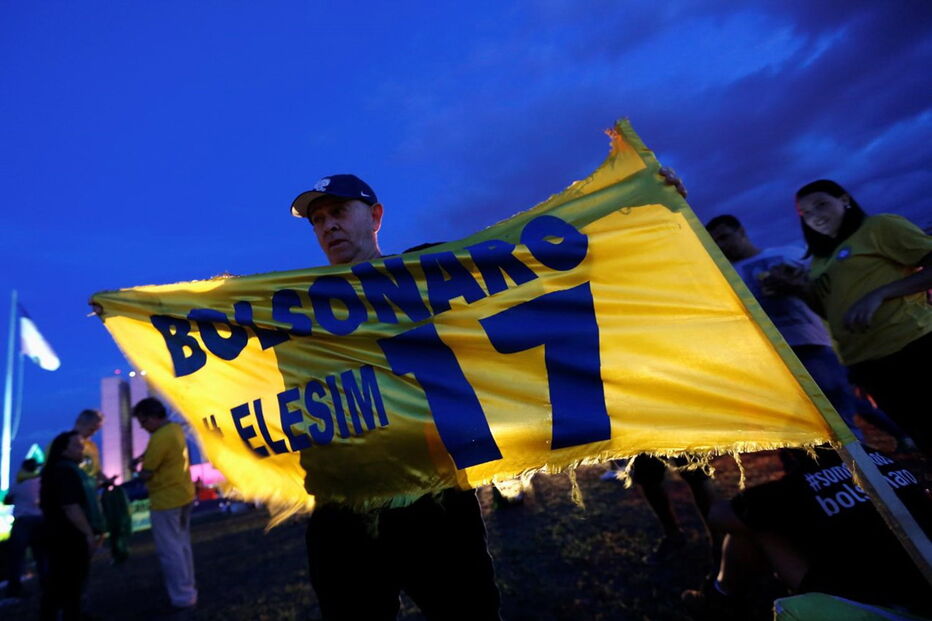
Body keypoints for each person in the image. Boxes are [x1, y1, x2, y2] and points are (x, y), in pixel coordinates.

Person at [290, 174, 502, 620]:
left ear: (376, 215)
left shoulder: (424, 275)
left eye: (339, 211)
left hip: (435, 502)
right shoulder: (296, 311)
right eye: (318, 219)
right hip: (342, 514)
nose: (327, 226)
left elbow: (536, 256)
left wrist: (645, 198)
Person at [681, 445, 932, 619]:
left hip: (879, 604)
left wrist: (697, 473)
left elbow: (719, 515)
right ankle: (722, 597)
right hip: (921, 569)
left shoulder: (797, 489)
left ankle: (720, 599)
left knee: (756, 524)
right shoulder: (876, 458)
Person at [776, 181, 932, 456]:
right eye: (806, 213)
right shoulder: (819, 261)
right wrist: (798, 291)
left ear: (844, 199)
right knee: (922, 435)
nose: (815, 216)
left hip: (913, 347)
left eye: (821, 204)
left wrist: (880, 294)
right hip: (867, 364)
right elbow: (832, 312)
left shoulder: (879, 227)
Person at [706, 214, 863, 440]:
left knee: (840, 416)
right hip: (767, 358)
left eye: (725, 237)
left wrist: (796, 285)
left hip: (810, 343)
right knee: (792, 428)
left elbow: (826, 290)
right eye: (716, 242)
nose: (722, 245)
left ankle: (863, 469)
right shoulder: (721, 276)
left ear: (741, 231)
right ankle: (823, 471)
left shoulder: (789, 254)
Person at [132, 397, 197, 611]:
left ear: (152, 418)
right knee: (182, 546)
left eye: (143, 422)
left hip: (165, 500)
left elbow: (147, 473)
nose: (142, 427)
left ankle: (182, 596)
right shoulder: (175, 429)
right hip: (184, 494)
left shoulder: (159, 437)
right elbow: (161, 456)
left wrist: (138, 470)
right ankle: (189, 589)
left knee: (170, 551)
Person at [39, 431, 105, 621]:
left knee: (67, 579)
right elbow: (71, 506)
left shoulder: (66, 470)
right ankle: (69, 615)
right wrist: (87, 534)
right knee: (68, 579)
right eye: (76, 445)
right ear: (63, 450)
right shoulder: (63, 471)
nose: (82, 449)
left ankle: (70, 613)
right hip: (67, 536)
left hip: (65, 535)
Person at [4, 458, 46, 599]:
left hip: (22, 522)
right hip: (39, 520)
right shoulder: (41, 482)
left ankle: (14, 587)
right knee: (41, 555)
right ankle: (45, 584)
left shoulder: (17, 483)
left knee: (16, 557)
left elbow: (7, 500)